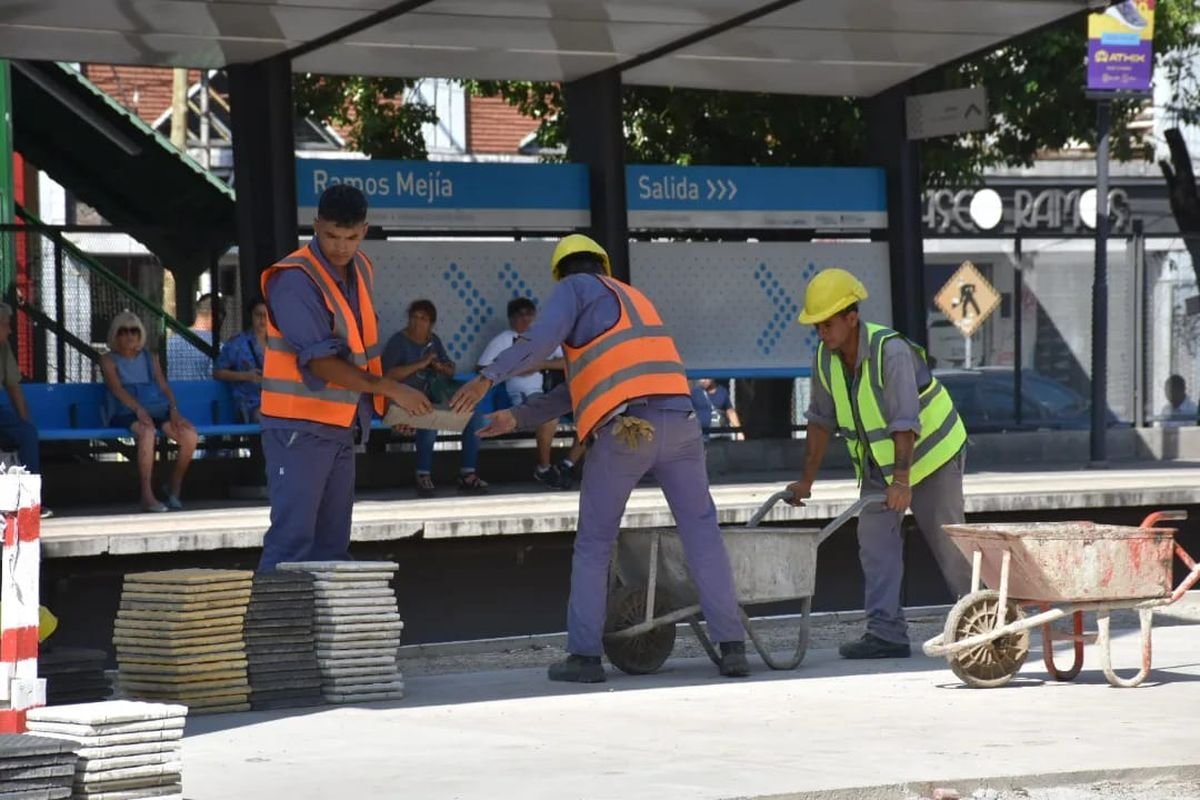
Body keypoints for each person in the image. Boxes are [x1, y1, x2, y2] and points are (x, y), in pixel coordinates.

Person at [451, 234, 748, 682]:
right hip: (682, 423)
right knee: (701, 534)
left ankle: (585, 657)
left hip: (629, 429)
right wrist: (515, 418)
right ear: (603, 265)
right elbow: (577, 390)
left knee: (594, 542)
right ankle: (733, 648)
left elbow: (538, 341)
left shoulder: (573, 290)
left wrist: (486, 378)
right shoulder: (632, 299)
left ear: (562, 275)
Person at [785, 268, 970, 659]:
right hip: (880, 469)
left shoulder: (891, 351)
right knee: (875, 544)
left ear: (852, 318)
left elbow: (905, 422)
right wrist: (805, 482)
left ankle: (983, 623)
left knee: (949, 542)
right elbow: (820, 421)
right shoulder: (825, 359)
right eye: (816, 325)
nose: (822, 332)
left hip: (932, 456)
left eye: (828, 323)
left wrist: (902, 482)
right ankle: (886, 633)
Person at [258, 184, 430, 572]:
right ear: (316, 226)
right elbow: (319, 362)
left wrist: (381, 406)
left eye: (351, 237)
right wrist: (388, 389)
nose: (340, 247)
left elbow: (359, 348)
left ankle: (318, 632)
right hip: (298, 428)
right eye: (332, 235)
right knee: (291, 544)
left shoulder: (363, 268)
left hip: (340, 426)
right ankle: (273, 633)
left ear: (364, 231)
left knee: (332, 548)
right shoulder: (294, 279)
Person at [382, 300, 489, 498]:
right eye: (414, 317)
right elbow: (388, 376)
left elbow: (449, 369)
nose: (417, 322)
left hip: (434, 395)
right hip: (406, 400)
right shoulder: (399, 341)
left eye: (423, 318)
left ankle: (468, 473)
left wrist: (441, 367)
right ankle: (423, 473)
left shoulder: (434, 341)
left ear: (431, 323)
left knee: (475, 414)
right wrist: (420, 364)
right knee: (429, 417)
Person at [100, 310, 198, 513]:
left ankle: (174, 485)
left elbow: (163, 387)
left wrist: (174, 409)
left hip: (155, 408)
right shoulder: (108, 360)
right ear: (115, 335)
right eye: (124, 331)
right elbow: (117, 389)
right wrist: (138, 410)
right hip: (124, 410)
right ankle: (147, 494)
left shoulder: (150, 358)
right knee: (148, 432)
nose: (129, 336)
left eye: (134, 331)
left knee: (190, 436)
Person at [477, 297, 568, 489]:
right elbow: (482, 367)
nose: (526, 319)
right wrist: (515, 368)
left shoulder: (543, 337)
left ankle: (560, 467)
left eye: (529, 314)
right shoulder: (504, 339)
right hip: (516, 394)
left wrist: (541, 364)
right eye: (520, 315)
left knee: (560, 415)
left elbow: (567, 362)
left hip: (543, 391)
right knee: (546, 416)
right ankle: (545, 468)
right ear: (511, 319)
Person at [0, 303, 51, 518]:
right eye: (6, 325)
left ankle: (30, 503)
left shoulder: (3, 348)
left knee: (27, 434)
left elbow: (14, 387)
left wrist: (24, 422)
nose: (10, 330)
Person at [214, 297, 268, 423]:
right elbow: (218, 372)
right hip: (249, 404)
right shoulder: (237, 343)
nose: (263, 320)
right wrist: (245, 376)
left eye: (267, 315)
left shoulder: (279, 344)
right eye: (258, 315)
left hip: (276, 401)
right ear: (251, 316)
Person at [167, 293, 221, 380]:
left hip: (172, 392)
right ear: (218, 315)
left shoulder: (171, 342)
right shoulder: (217, 346)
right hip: (202, 392)